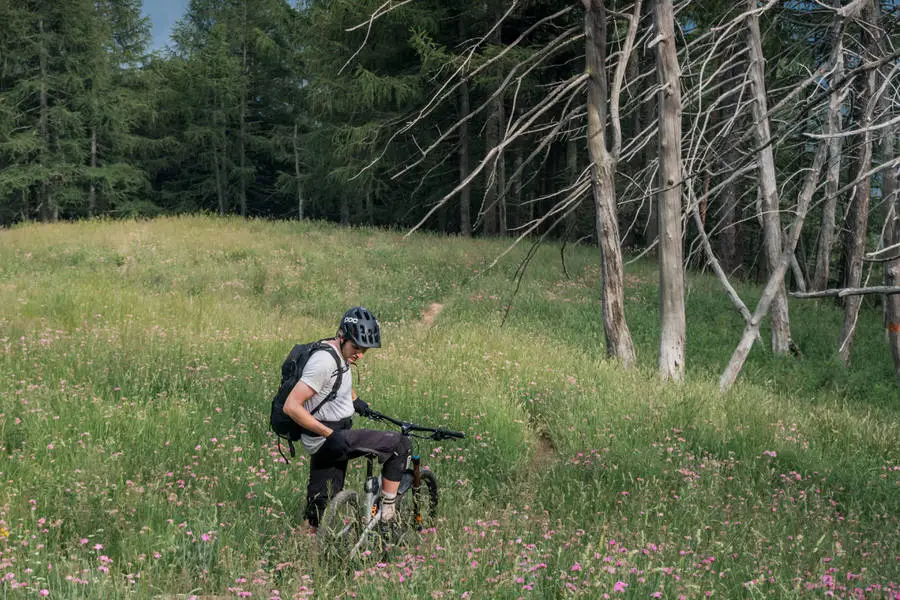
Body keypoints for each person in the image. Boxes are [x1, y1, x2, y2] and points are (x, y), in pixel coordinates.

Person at [282, 306, 412, 530]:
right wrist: (330, 434)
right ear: (341, 336)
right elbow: (291, 406)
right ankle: (388, 514)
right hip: (330, 437)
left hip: (325, 438)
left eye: (365, 350)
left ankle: (306, 554)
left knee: (319, 507)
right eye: (357, 347)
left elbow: (336, 385)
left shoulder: (338, 353)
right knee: (401, 443)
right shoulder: (324, 362)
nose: (360, 355)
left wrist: (357, 402)